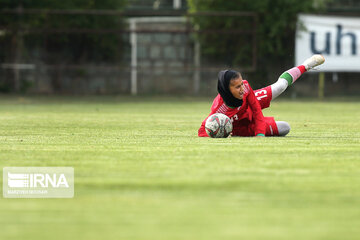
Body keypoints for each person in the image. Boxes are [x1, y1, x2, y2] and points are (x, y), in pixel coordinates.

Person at [198, 55, 325, 137]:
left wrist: (260, 134)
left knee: (279, 87)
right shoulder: (219, 110)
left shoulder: (246, 88)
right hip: (241, 127)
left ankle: (306, 65)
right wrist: (222, 134)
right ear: (226, 90)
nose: (242, 89)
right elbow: (202, 131)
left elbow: (256, 109)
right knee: (285, 128)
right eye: (237, 87)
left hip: (248, 106)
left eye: (242, 84)